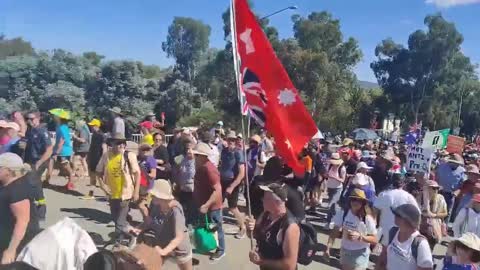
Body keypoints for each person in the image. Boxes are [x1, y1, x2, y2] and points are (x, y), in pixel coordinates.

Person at [132, 180, 193, 270]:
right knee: (150, 266)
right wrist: (140, 228)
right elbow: (150, 222)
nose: (151, 197)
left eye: (154, 195)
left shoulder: (175, 210)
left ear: (162, 196)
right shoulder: (155, 204)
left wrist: (164, 252)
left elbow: (179, 237)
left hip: (179, 250)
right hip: (161, 243)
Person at [96, 133, 141, 241]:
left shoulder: (129, 156)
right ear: (112, 144)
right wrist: (102, 186)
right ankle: (131, 234)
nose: (121, 145)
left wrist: (136, 192)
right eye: (118, 143)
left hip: (125, 193)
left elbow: (137, 173)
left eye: (123, 143)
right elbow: (98, 172)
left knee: (119, 222)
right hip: (111, 193)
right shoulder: (106, 156)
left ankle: (118, 243)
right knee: (116, 219)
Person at [246, 183, 300, 270]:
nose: (262, 200)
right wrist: (250, 228)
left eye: (266, 198)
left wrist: (262, 261)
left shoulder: (290, 227)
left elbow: (290, 265)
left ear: (277, 202)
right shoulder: (266, 214)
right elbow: (255, 235)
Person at [0, 153, 40, 265]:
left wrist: (11, 250)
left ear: (8, 171)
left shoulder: (18, 190)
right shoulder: (6, 184)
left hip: (19, 242)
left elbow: (22, 222)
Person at [325, 189, 378, 270]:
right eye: (353, 199)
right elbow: (334, 231)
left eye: (359, 200)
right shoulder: (344, 213)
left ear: (363, 203)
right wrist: (328, 248)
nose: (355, 202)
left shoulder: (367, 218)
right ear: (350, 201)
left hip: (360, 252)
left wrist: (360, 237)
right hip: (345, 251)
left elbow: (375, 239)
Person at [192, 143, 225, 261]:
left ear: (203, 156)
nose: (194, 156)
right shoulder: (201, 166)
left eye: (197, 155)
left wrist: (207, 205)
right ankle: (207, 244)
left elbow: (217, 190)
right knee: (208, 228)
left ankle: (221, 250)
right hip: (204, 203)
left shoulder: (210, 169)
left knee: (216, 228)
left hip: (213, 206)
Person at [376, 204, 433, 270]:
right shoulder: (393, 232)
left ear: (408, 220)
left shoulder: (420, 243)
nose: (395, 216)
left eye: (398, 215)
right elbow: (383, 256)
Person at [374, 174, 419, 247]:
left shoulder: (383, 194)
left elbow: (374, 212)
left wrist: (375, 227)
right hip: (402, 231)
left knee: (385, 251)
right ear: (404, 183)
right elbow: (417, 213)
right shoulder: (408, 196)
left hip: (385, 231)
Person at [219, 131, 247, 239]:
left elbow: (242, 173)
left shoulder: (238, 153)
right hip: (222, 181)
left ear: (235, 141)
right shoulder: (224, 151)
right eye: (229, 139)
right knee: (218, 204)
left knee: (232, 208)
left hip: (233, 183)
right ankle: (217, 226)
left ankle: (243, 227)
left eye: (232, 140)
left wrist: (232, 186)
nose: (230, 141)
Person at [50, 109, 75, 190]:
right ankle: (69, 182)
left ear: (59, 117)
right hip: (63, 150)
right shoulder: (61, 127)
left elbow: (62, 140)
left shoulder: (61, 128)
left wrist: (57, 151)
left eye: (55, 116)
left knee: (67, 168)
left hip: (64, 150)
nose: (54, 117)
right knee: (63, 168)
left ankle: (71, 183)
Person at [172, 139, 196, 225]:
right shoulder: (182, 157)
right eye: (186, 148)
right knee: (181, 206)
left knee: (191, 208)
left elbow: (193, 174)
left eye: (190, 148)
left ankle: (190, 224)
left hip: (192, 188)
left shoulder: (196, 159)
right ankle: (183, 222)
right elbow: (174, 167)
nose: (188, 150)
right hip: (182, 186)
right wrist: (176, 181)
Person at [419, 180, 448, 250]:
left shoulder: (440, 198)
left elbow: (445, 213)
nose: (436, 190)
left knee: (431, 248)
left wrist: (434, 215)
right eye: (434, 188)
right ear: (426, 189)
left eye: (437, 188)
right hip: (420, 227)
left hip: (434, 228)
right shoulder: (419, 197)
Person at [436, 154, 466, 221]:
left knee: (447, 213)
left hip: (451, 195)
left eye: (458, 164)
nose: (456, 165)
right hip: (439, 192)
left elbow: (462, 185)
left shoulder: (462, 171)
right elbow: (436, 177)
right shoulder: (441, 167)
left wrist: (457, 192)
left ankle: (444, 228)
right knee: (437, 210)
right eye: (455, 163)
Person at [324, 152, 346, 229]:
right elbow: (326, 175)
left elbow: (343, 180)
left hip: (338, 188)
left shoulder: (342, 168)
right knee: (332, 206)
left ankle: (329, 221)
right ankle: (333, 221)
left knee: (332, 205)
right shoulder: (329, 166)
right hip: (330, 187)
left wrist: (335, 177)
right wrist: (327, 175)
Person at [136, 144, 157, 220]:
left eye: (147, 150)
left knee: (141, 205)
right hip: (140, 185)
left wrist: (144, 172)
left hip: (147, 186)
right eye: (143, 149)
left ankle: (148, 221)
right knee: (140, 205)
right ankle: (146, 220)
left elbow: (153, 175)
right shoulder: (139, 159)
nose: (145, 151)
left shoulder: (150, 159)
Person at [87, 119, 107, 187]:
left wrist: (103, 159)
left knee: (99, 177)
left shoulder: (101, 135)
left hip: (98, 158)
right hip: (93, 157)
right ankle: (91, 194)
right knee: (93, 175)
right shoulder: (94, 135)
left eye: (92, 126)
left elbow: (104, 147)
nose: (91, 127)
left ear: (96, 126)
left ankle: (108, 193)